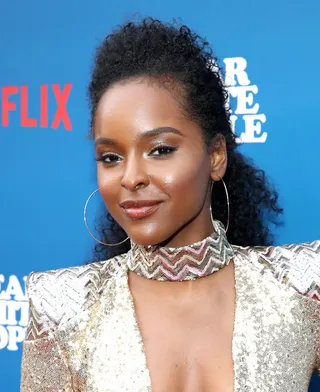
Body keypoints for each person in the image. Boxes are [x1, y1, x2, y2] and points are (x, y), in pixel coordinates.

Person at [20, 17, 320, 392]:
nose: (130, 177)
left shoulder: (303, 286)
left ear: (215, 156)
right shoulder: (61, 309)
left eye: (160, 150)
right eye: (110, 157)